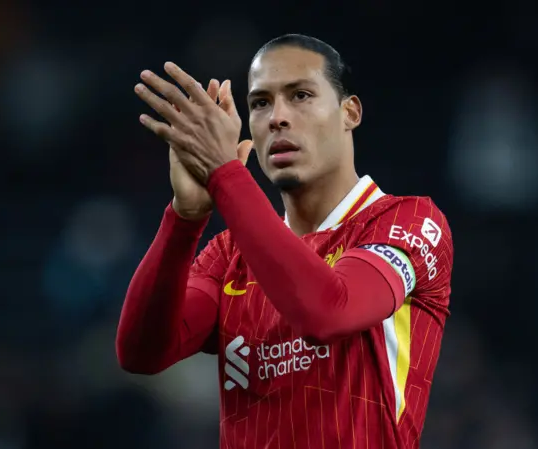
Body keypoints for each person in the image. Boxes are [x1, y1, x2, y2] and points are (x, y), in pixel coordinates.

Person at [116, 33, 454, 448]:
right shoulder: (228, 253)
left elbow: (327, 312)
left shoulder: (407, 220)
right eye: (260, 103)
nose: (277, 117)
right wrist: (184, 219)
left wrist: (226, 175)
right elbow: (141, 352)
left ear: (350, 112)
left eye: (300, 95)